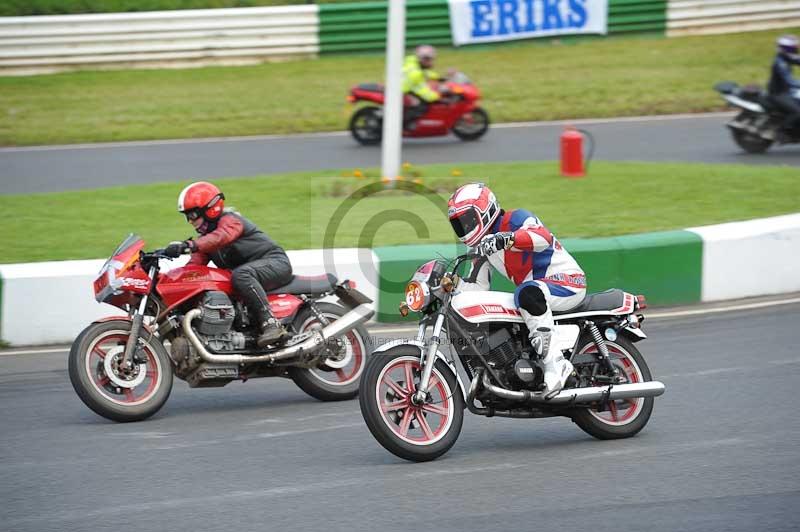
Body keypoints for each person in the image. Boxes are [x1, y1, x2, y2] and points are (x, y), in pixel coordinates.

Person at [448, 183, 586, 396]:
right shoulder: (481, 247)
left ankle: (556, 365)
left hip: (567, 282)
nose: (464, 227)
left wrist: (508, 238)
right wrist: (451, 289)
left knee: (526, 292)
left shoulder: (516, 219)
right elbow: (476, 288)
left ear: (485, 211)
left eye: (468, 220)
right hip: (535, 291)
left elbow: (543, 237)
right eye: (459, 224)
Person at [165, 181, 292, 347]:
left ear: (210, 209)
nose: (190, 220)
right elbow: (193, 268)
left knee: (241, 275)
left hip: (275, 263)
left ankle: (271, 324)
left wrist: (190, 245)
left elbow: (221, 236)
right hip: (252, 272)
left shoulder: (231, 221)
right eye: (187, 216)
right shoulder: (207, 240)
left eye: (193, 214)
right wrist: (170, 279)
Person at [402, 44, 445, 129]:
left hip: (404, 87)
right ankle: (402, 126)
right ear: (423, 59)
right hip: (401, 91)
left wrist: (439, 78)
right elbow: (424, 92)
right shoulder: (415, 73)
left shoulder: (414, 62)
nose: (431, 62)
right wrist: (437, 96)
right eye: (429, 60)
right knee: (420, 106)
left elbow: (426, 73)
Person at [768, 34, 800, 137]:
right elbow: (790, 81)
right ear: (787, 48)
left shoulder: (786, 57)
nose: (796, 49)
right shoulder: (780, 63)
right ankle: (781, 131)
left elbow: (797, 60)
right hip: (779, 93)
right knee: (797, 112)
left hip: (788, 90)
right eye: (794, 47)